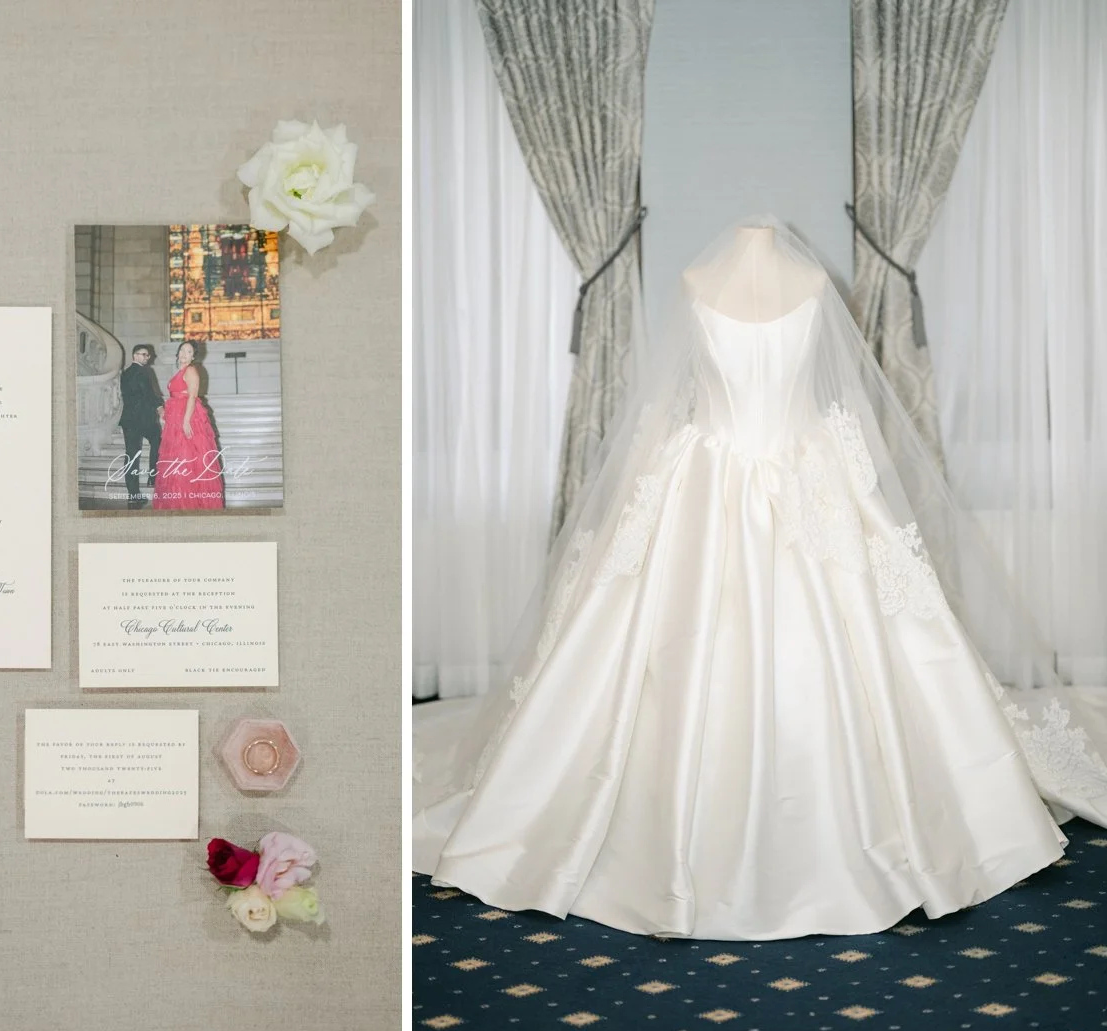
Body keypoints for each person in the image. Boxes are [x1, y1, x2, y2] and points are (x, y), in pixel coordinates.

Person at [412, 218, 1107, 940]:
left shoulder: (808, 285)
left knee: (853, 645)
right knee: (663, 653)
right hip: (708, 485)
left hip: (795, 481)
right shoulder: (704, 283)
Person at [152, 340, 225, 510]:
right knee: (177, 461)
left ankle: (192, 504)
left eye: (189, 351)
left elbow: (192, 397)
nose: (185, 354)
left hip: (188, 417)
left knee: (188, 459)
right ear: (177, 353)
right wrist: (166, 414)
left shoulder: (191, 370)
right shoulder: (180, 371)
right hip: (176, 420)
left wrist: (185, 421)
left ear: (193, 357)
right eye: (182, 350)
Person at [117, 344, 164, 506]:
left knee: (131, 456)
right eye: (143, 355)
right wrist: (159, 407)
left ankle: (133, 494)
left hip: (129, 420)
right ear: (134, 356)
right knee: (158, 439)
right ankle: (153, 476)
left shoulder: (125, 373)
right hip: (143, 419)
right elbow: (149, 393)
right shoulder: (144, 371)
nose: (146, 358)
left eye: (147, 355)